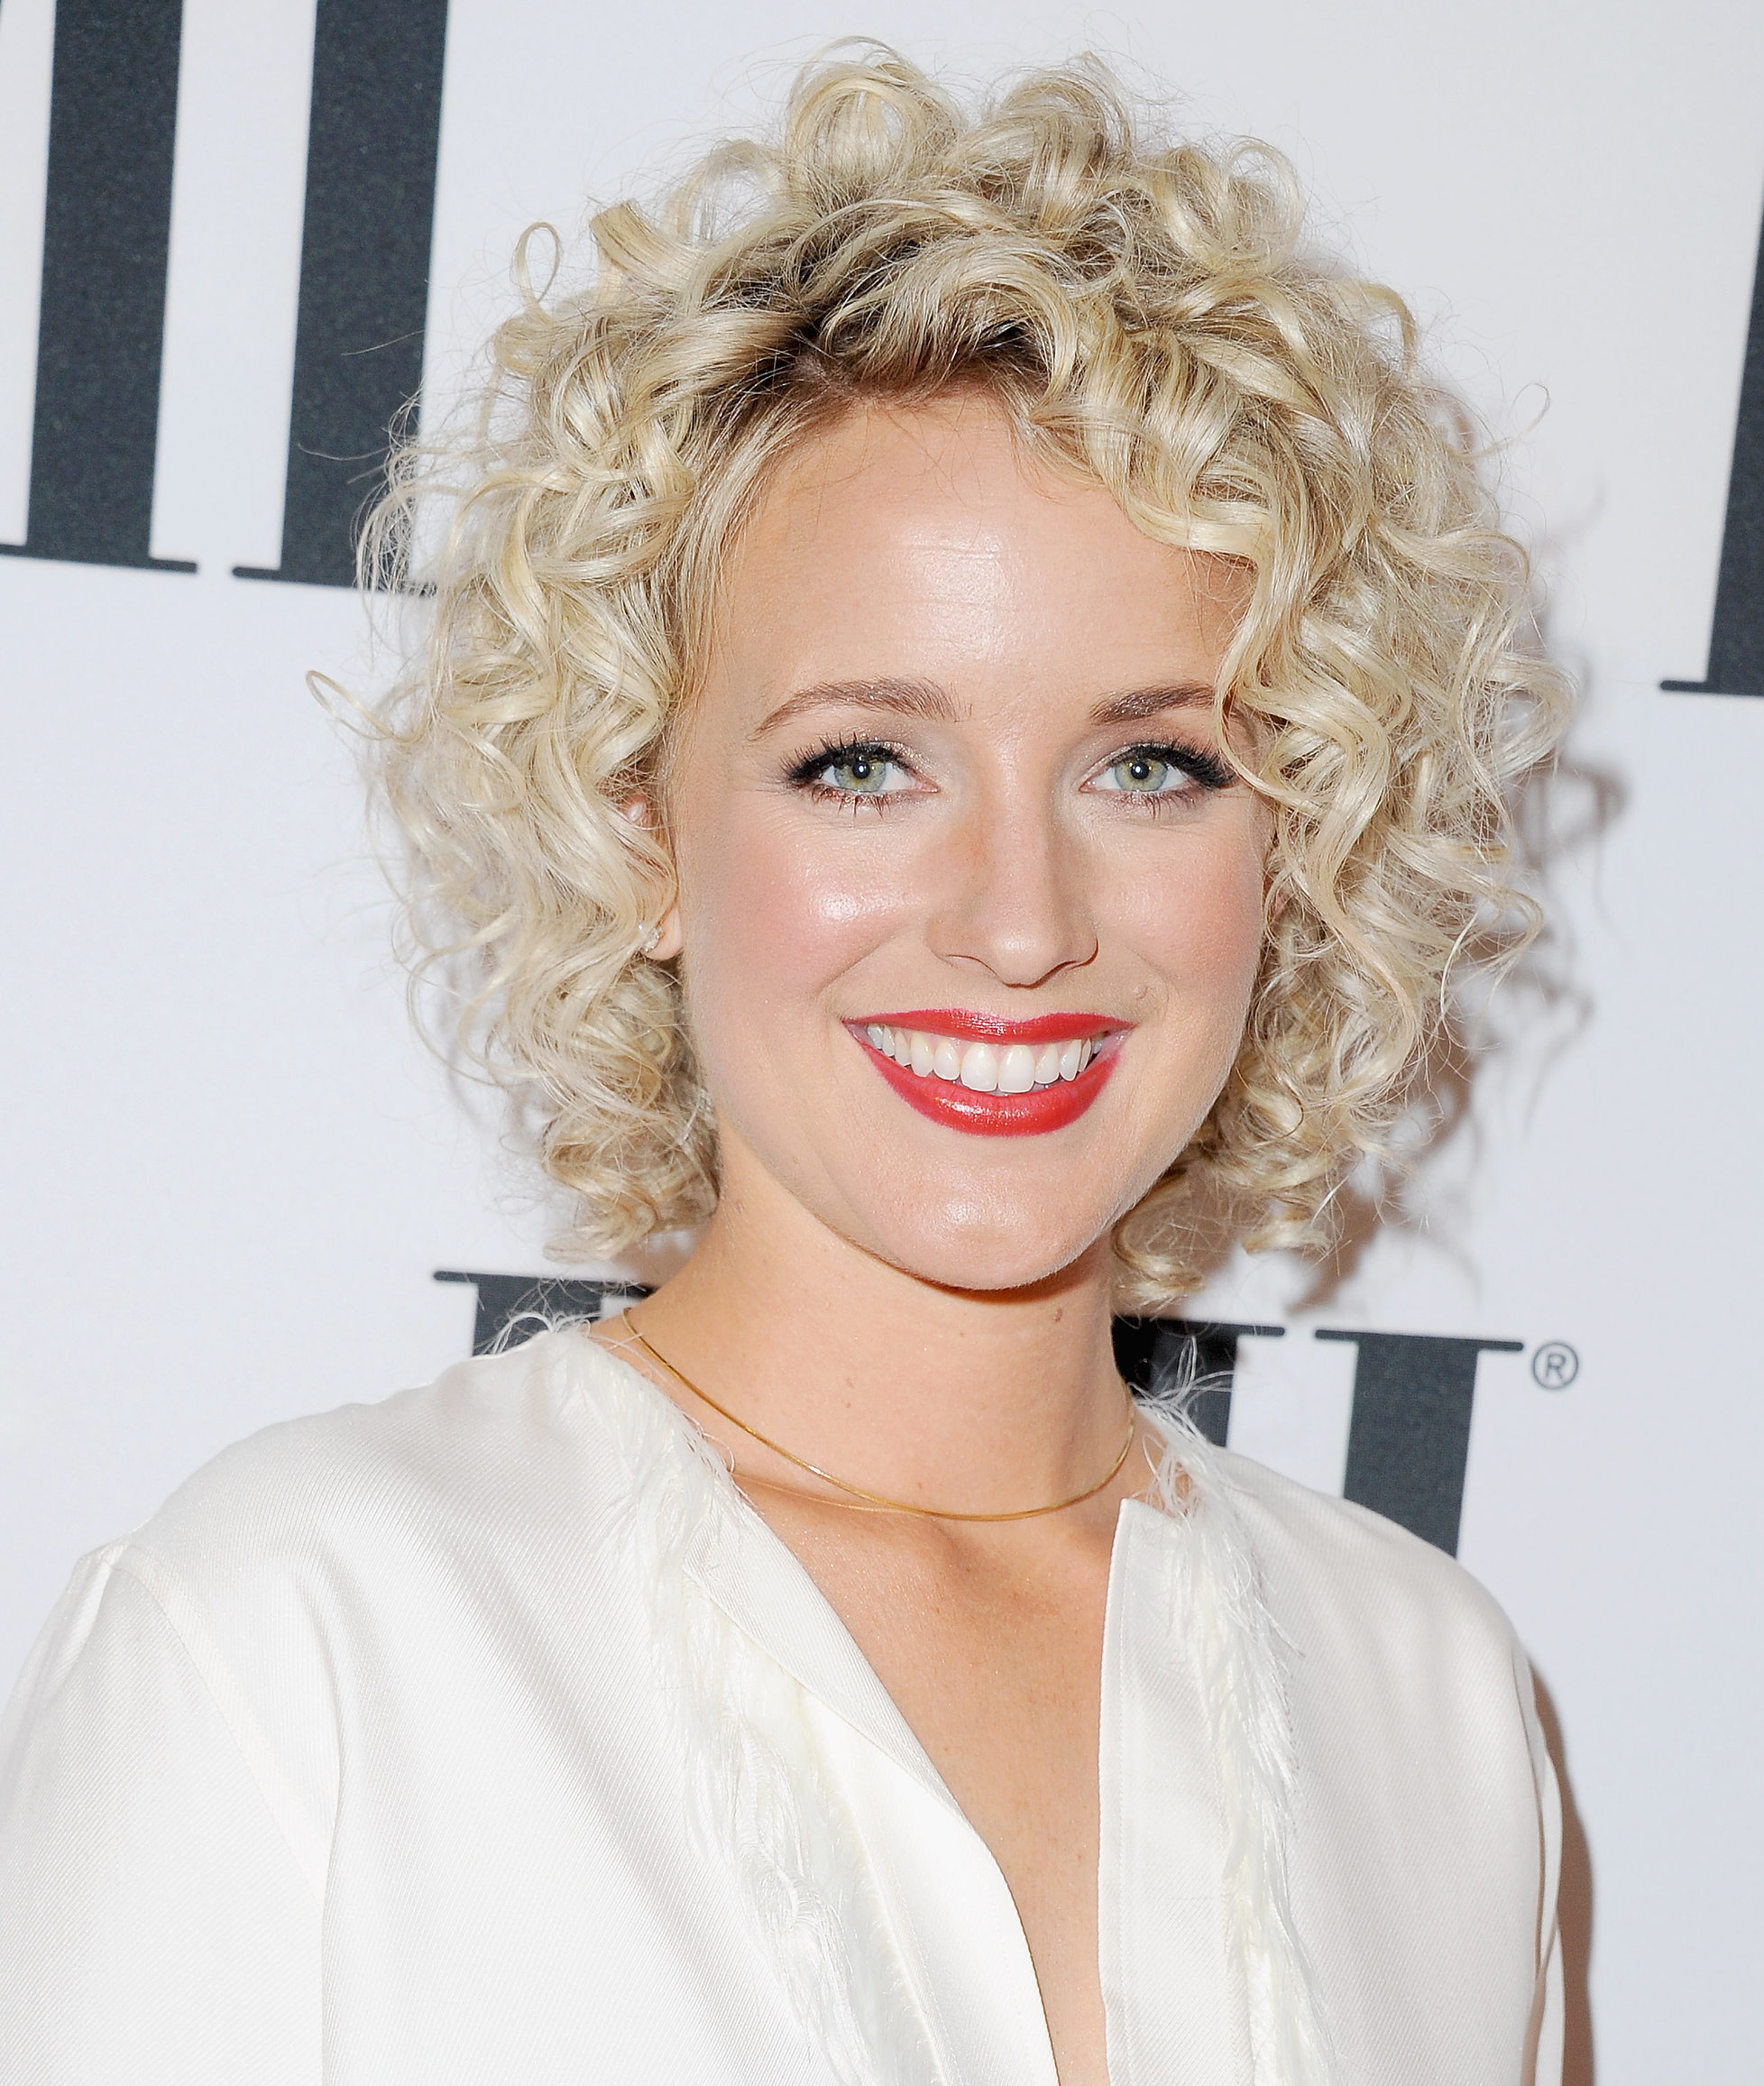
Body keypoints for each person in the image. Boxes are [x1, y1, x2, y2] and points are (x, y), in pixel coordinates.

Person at [0, 48, 1569, 2086]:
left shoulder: (1435, 1699)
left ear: (1299, 842)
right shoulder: (298, 1640)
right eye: (863, 762)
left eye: (1152, 764)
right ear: (641, 824)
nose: (1019, 919)